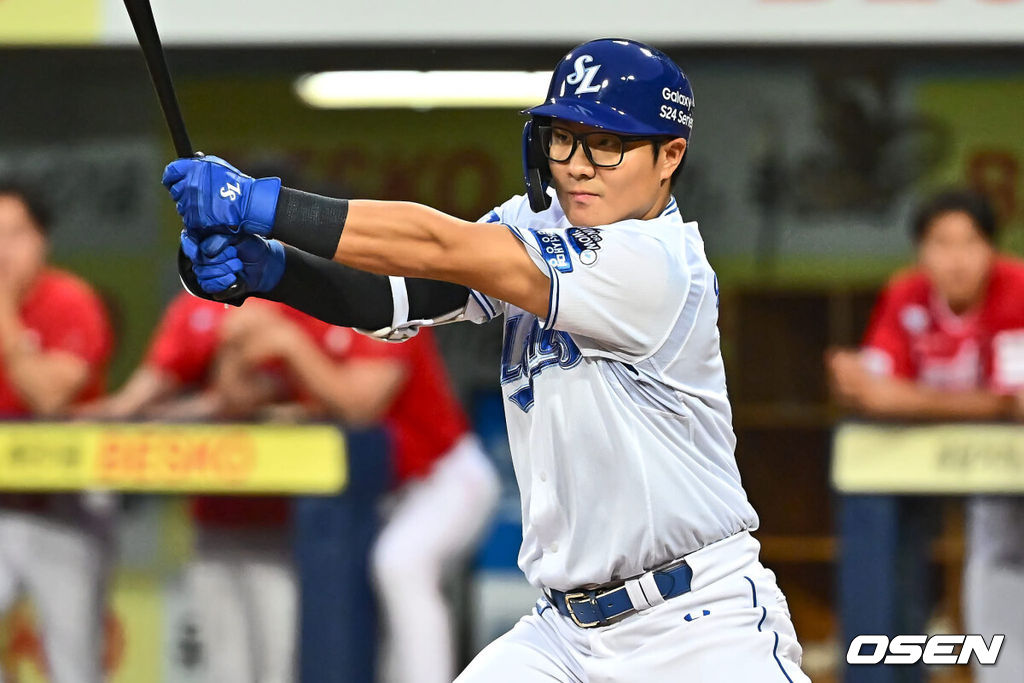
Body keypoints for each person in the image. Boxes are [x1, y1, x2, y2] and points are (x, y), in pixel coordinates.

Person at [163, 38, 809, 681]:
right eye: (564, 137)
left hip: (696, 624)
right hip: (566, 631)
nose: (579, 165)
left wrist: (265, 205)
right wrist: (271, 272)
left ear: (670, 155)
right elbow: (401, 294)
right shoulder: (540, 222)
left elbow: (442, 246)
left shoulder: (660, 262)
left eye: (607, 143)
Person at [89, 292, 498, 683]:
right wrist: (236, 344)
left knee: (400, 564)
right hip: (383, 495)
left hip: (445, 474)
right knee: (378, 597)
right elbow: (236, 399)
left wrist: (290, 345)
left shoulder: (383, 307)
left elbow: (360, 407)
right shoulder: (289, 309)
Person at [829, 189, 1024, 683]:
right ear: (920, 250)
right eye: (941, 242)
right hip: (919, 458)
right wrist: (883, 392)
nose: (956, 259)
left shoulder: (1016, 287)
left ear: (992, 249)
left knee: (1000, 536)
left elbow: (1012, 401)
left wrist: (902, 397)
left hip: (1005, 462)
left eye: (971, 242)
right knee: (879, 517)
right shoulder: (906, 293)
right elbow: (870, 390)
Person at [0, 181, 115, 683]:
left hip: (65, 502)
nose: (1, 249)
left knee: (73, 659)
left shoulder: (71, 300)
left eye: (14, 234)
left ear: (41, 240)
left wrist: (5, 318)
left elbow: (49, 397)